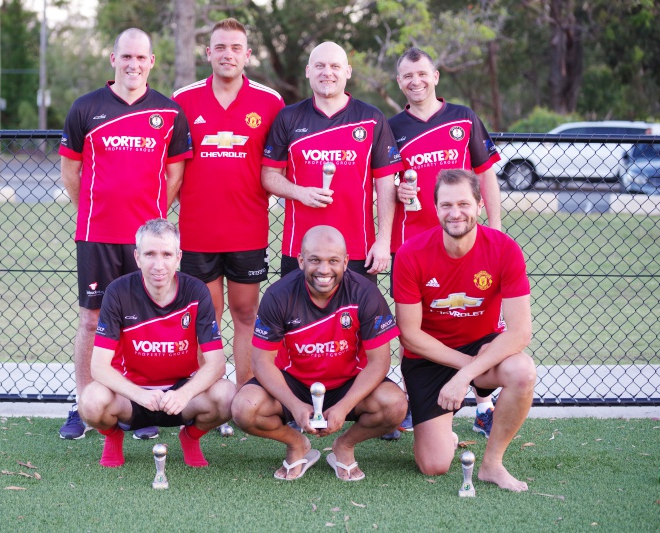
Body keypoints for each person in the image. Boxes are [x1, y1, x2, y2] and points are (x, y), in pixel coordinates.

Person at [58, 28, 192, 440]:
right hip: (97, 235)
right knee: (92, 318)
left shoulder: (169, 112)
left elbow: (174, 175)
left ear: (152, 62)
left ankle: (139, 408)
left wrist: (152, 220)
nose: (133, 64)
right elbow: (71, 172)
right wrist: (96, 211)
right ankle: (85, 403)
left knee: (143, 322)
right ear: (113, 59)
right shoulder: (85, 108)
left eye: (141, 57)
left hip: (147, 243)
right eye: (126, 57)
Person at [393, 169, 535, 492]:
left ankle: (492, 464)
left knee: (523, 371)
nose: (455, 213)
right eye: (446, 205)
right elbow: (409, 335)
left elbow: (520, 333)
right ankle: (443, 434)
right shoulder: (411, 254)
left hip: (481, 347)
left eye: (463, 204)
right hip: (429, 356)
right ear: (435, 208)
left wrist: (466, 375)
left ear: (480, 205)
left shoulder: (504, 249)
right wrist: (466, 369)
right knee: (434, 465)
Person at [231, 226, 408, 481]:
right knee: (244, 408)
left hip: (348, 383)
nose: (324, 270)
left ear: (345, 262)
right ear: (301, 261)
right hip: (295, 383)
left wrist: (344, 407)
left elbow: (379, 362)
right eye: (315, 260)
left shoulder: (365, 293)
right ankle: (297, 444)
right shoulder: (278, 295)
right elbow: (261, 362)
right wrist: (295, 405)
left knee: (395, 405)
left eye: (333, 261)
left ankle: (344, 446)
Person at [388, 47, 503, 438]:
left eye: (422, 73)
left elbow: (485, 174)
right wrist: (399, 192)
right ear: (399, 82)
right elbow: (386, 183)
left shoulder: (463, 117)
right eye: (407, 75)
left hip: (465, 242)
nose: (416, 81)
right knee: (414, 326)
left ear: (435, 76)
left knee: (476, 319)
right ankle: (412, 401)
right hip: (412, 245)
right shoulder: (391, 127)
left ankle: (484, 406)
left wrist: (495, 227)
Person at [172, 18, 285, 391]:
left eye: (236, 48)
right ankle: (207, 398)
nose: (228, 54)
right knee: (206, 317)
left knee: (246, 313)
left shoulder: (270, 102)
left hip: (247, 230)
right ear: (208, 53)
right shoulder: (183, 100)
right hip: (197, 231)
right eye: (220, 47)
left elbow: (281, 165)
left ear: (247, 54)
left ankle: (244, 397)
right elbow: (171, 167)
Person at [78, 218, 236, 468]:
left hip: (180, 395)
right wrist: (139, 395)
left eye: (166, 254)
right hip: (132, 394)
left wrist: (184, 393)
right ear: (137, 257)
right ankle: (113, 437)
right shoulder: (118, 292)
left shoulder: (196, 291)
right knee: (90, 401)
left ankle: (191, 438)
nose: (158, 265)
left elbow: (216, 364)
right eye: (150, 254)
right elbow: (98, 367)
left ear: (178, 257)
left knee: (227, 395)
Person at [261, 42, 403, 282]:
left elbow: (386, 184)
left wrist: (383, 241)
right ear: (308, 71)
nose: (327, 72)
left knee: (357, 308)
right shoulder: (288, 117)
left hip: (357, 249)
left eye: (335, 66)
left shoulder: (371, 118)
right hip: (300, 250)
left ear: (348, 71)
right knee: (298, 308)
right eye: (320, 66)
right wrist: (300, 193)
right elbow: (269, 175)